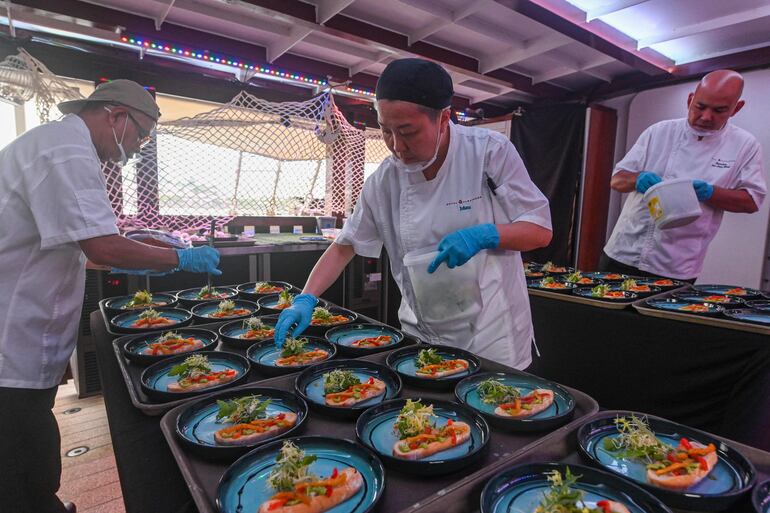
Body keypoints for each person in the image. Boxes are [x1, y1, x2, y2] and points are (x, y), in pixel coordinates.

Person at [0, 79, 221, 513]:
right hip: (11, 335)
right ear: (115, 114)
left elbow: (90, 249)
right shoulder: (66, 150)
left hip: (24, 327)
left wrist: (143, 251)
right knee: (19, 455)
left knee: (27, 446)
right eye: (140, 134)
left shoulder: (57, 142)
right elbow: (101, 247)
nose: (138, 148)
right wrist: (179, 258)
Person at [274, 58, 552, 369]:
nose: (396, 146)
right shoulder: (384, 180)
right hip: (421, 333)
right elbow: (344, 246)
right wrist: (306, 298)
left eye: (407, 131)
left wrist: (486, 234)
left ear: (444, 118)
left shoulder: (488, 152)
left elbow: (539, 230)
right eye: (385, 130)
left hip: (491, 336)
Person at [601, 70, 766, 281]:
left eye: (719, 110)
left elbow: (751, 201)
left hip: (677, 265)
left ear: (736, 108)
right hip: (623, 251)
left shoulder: (745, 145)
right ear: (690, 100)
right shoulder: (659, 132)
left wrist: (709, 192)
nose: (706, 116)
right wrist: (638, 179)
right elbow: (617, 180)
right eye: (700, 106)